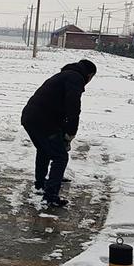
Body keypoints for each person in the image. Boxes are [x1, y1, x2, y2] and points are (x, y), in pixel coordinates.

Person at [21, 59, 97, 207]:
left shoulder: (65, 75)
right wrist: (71, 131)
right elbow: (73, 107)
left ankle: (41, 183)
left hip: (30, 117)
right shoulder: (76, 78)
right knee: (60, 156)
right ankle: (50, 195)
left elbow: (58, 106)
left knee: (44, 150)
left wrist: (64, 130)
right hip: (43, 120)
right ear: (89, 75)